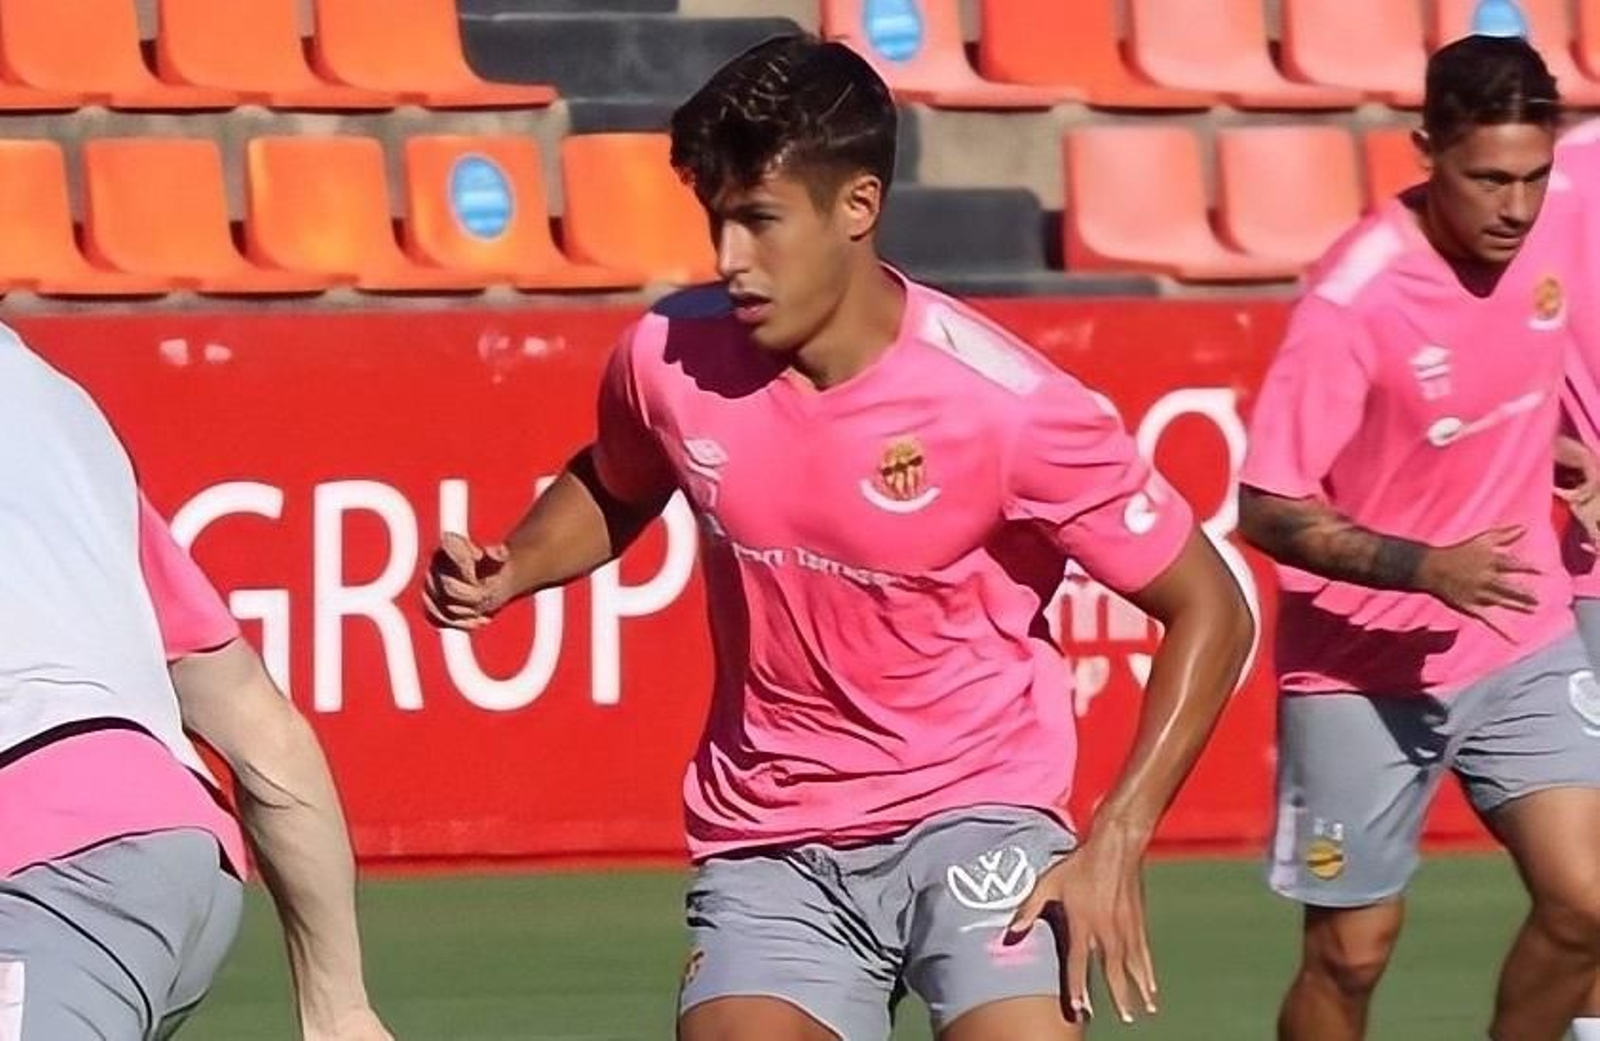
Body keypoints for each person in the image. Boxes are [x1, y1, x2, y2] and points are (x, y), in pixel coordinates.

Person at [424, 32, 1253, 1041]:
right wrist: (513, 566)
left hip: (979, 813)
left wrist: (1117, 833)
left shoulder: (1009, 406)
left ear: (857, 206)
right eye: (718, 221)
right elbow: (618, 479)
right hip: (772, 840)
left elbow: (1212, 606)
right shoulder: (665, 359)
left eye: (760, 221)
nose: (729, 259)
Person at [1237, 34, 1600, 1041]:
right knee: (1350, 953)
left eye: (1532, 177)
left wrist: (1564, 449)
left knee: (1590, 902)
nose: (1515, 207)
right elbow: (1265, 506)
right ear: (1427, 151)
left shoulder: (1550, 232)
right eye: (1488, 180)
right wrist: (1422, 567)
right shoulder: (1355, 301)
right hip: (1362, 663)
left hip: (1520, 633)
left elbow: (1506, 384)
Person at [0, 325, 390, 1041]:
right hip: (163, 859)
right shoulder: (60, 412)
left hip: (55, 874)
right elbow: (258, 728)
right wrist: (340, 1006)